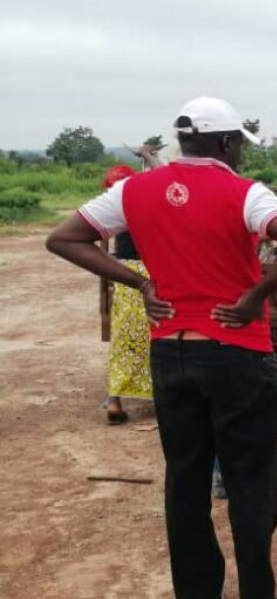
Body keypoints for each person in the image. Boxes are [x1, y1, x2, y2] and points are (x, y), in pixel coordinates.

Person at [46, 96, 277, 599]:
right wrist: (254, 296)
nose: (240, 152)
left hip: (171, 352)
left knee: (185, 481)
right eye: (239, 142)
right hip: (238, 353)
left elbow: (64, 238)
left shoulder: (132, 190)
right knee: (249, 481)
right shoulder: (246, 193)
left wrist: (140, 282)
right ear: (224, 143)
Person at [100, 164, 152, 424]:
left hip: (126, 274)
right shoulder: (148, 202)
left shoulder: (114, 208)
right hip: (154, 273)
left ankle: (115, 399)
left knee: (123, 336)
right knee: (157, 333)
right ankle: (163, 394)